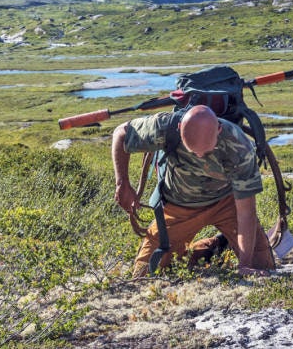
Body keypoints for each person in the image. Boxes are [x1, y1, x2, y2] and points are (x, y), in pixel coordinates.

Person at [112, 104, 275, 278]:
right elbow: (120, 133)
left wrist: (245, 265)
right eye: (191, 149)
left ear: (219, 130)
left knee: (263, 267)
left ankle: (227, 242)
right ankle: (214, 246)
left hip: (227, 203)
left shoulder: (239, 146)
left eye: (205, 151)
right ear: (179, 127)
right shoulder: (164, 127)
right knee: (144, 274)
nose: (198, 155)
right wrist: (122, 183)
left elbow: (246, 212)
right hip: (179, 207)